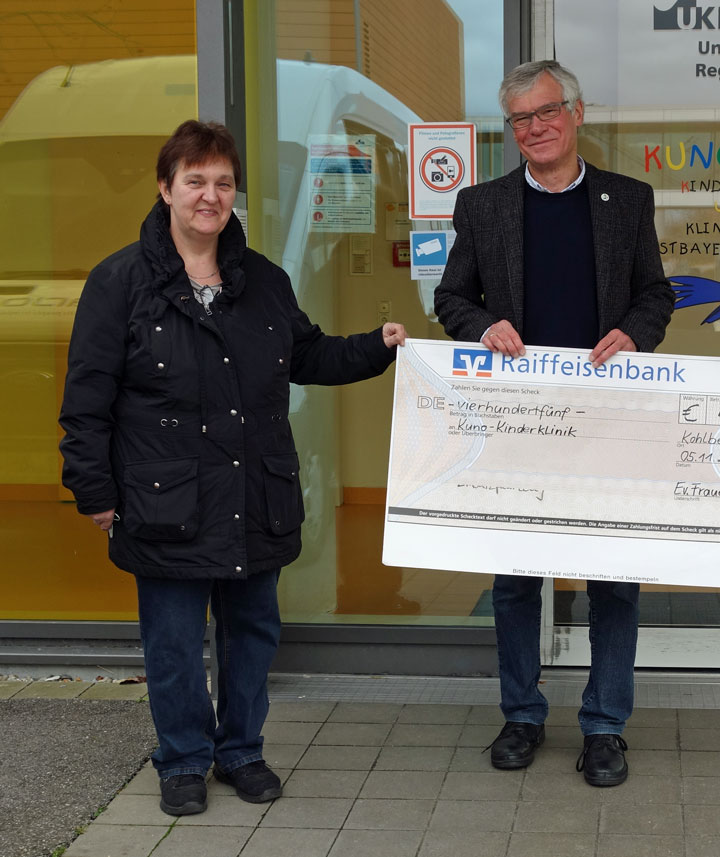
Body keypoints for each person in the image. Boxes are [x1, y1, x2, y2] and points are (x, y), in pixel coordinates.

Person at [58, 120, 407, 817]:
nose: (210, 196)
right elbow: (86, 400)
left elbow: (308, 355)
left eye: (222, 182)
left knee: (252, 636)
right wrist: (93, 489)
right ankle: (184, 759)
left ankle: (242, 751)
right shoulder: (119, 282)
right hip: (166, 502)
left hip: (254, 495)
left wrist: (378, 345)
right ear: (166, 189)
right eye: (195, 181)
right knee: (174, 645)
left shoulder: (264, 282)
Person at [434, 60, 674, 786]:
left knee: (614, 582)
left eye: (545, 113)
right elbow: (451, 298)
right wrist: (482, 327)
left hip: (609, 421)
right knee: (515, 581)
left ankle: (605, 727)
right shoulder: (482, 205)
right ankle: (522, 714)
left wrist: (634, 333)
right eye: (520, 119)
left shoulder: (627, 200)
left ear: (575, 113)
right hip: (520, 426)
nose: (534, 129)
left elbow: (655, 294)